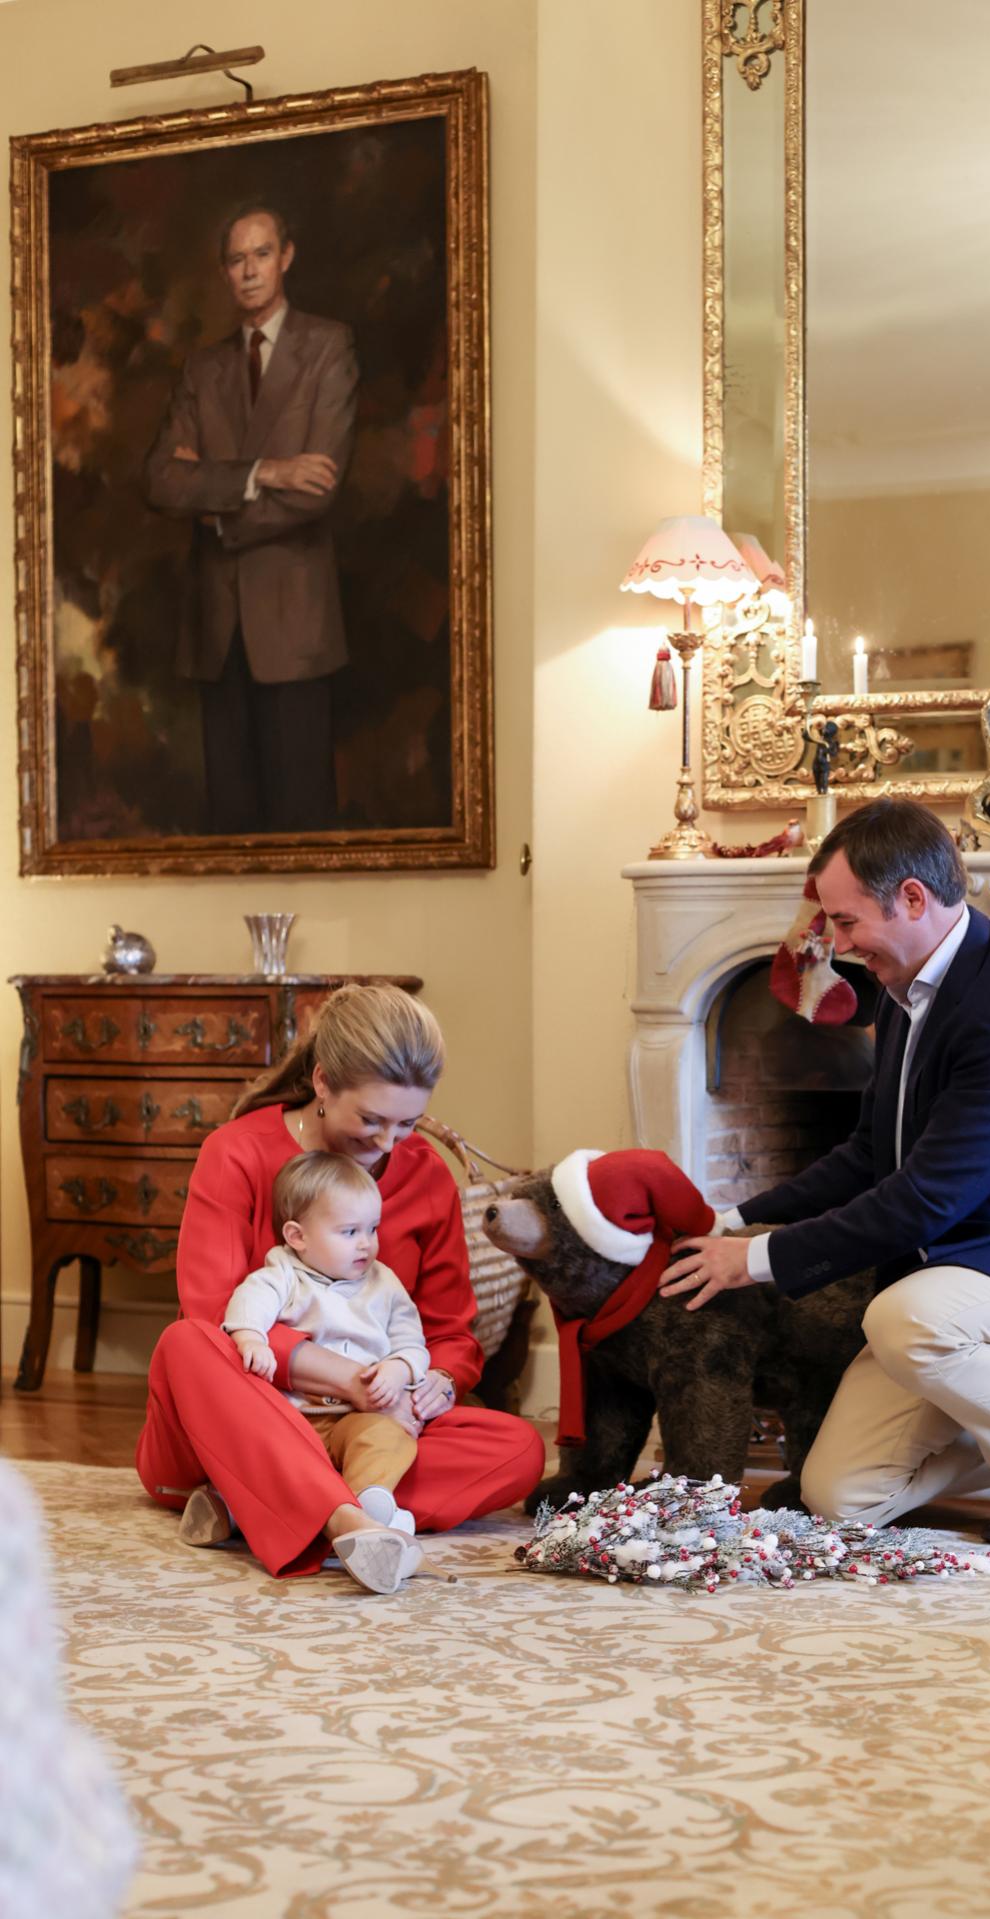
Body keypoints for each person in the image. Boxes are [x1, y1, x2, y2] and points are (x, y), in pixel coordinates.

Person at [661, 798, 990, 1546]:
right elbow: (870, 1153)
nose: (838, 944)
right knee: (840, 1495)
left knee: (901, 1317)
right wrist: (735, 1220)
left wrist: (755, 1261)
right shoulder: (908, 986)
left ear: (913, 897)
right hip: (971, 1278)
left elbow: (924, 1199)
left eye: (845, 922)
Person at [135, 982, 544, 1594]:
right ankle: (348, 1517)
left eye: (407, 1123)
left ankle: (250, 1504)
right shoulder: (237, 1154)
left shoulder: (426, 1176)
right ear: (323, 1083)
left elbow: (451, 1334)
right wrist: (350, 1381)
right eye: (371, 1119)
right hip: (242, 1418)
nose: (386, 1143)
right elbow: (216, 1318)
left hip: (370, 1424)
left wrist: (437, 1381)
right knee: (187, 1344)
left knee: (517, 1449)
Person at [144, 201, 358, 835]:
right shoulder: (203, 368)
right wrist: (265, 471)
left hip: (295, 630)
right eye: (236, 260)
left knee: (301, 824)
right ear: (222, 272)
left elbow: (318, 489)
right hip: (216, 631)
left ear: (286, 257)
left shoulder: (327, 346)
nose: (249, 271)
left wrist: (214, 511)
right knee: (231, 830)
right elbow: (159, 479)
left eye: (261, 254)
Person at [223, 1152, 434, 1542]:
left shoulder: (383, 1283)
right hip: (292, 1417)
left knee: (389, 1437)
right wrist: (250, 1336)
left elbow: (413, 1342)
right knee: (260, 1452)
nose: (366, 1245)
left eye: (372, 1229)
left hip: (356, 1417)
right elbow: (250, 1299)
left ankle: (365, 1502)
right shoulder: (283, 1273)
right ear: (297, 1236)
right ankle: (236, 1506)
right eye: (349, 1232)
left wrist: (399, 1368)